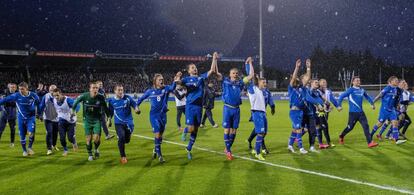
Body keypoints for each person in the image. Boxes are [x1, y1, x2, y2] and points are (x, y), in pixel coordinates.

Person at [177, 52, 217, 160]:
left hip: (199, 107)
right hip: (190, 106)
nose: (195, 69)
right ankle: (185, 131)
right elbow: (179, 84)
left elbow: (211, 71)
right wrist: (178, 79)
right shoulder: (186, 79)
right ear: (189, 71)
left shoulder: (201, 78)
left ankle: (189, 148)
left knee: (196, 129)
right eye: (192, 68)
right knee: (190, 129)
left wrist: (214, 59)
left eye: (195, 67)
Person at [136, 73, 180, 163]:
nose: (162, 81)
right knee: (157, 133)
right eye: (159, 80)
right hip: (154, 116)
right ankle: (160, 156)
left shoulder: (166, 88)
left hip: (163, 115)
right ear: (155, 82)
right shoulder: (150, 91)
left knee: (160, 136)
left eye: (162, 79)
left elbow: (172, 88)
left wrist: (175, 80)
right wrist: (136, 107)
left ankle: (155, 149)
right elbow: (140, 99)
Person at [72, 82, 111, 161]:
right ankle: (90, 154)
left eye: (96, 88)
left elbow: (105, 108)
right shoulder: (84, 96)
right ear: (90, 89)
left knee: (96, 139)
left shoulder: (101, 97)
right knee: (88, 139)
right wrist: (73, 111)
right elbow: (75, 103)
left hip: (97, 120)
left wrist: (109, 118)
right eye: (93, 88)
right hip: (87, 120)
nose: (95, 89)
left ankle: (96, 149)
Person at [0, 82, 41, 156]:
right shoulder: (16, 95)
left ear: (26, 88)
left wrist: (39, 114)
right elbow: (5, 100)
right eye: (19, 89)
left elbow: (39, 103)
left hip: (30, 118)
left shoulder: (33, 95)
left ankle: (30, 147)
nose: (20, 90)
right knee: (22, 135)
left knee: (31, 133)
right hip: (21, 118)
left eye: (22, 89)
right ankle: (24, 151)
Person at [337, 76, 378, 147]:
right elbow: (341, 96)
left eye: (359, 80)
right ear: (353, 82)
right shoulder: (350, 90)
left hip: (361, 113)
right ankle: (341, 135)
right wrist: (339, 105)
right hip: (353, 113)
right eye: (356, 81)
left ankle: (370, 142)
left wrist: (372, 104)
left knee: (366, 126)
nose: (358, 82)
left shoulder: (362, 90)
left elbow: (367, 97)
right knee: (350, 127)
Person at [370, 76, 406, 145]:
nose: (397, 81)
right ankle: (370, 135)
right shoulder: (387, 88)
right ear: (391, 81)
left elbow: (395, 100)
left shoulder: (395, 89)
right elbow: (379, 96)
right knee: (379, 124)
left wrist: (397, 107)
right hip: (384, 110)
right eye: (395, 80)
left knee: (395, 123)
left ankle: (396, 139)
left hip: (392, 110)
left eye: (397, 80)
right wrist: (372, 103)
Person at [108, 84, 139, 164]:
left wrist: (136, 109)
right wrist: (109, 120)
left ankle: (125, 138)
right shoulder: (111, 101)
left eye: (122, 90)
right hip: (118, 123)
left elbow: (134, 104)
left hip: (129, 123)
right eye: (119, 90)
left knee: (127, 140)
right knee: (121, 137)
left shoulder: (128, 98)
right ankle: (123, 156)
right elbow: (110, 112)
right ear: (115, 91)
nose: (121, 91)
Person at [246, 76, 275, 154]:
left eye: (266, 82)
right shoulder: (256, 89)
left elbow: (270, 99)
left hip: (263, 112)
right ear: (259, 83)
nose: (265, 84)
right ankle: (262, 148)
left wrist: (273, 107)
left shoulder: (266, 91)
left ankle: (250, 140)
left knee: (261, 131)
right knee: (260, 131)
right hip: (256, 112)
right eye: (263, 82)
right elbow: (251, 85)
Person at [50, 88, 79, 156]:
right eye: (54, 96)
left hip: (71, 121)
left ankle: (73, 142)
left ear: (61, 94)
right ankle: (65, 150)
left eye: (57, 95)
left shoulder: (68, 100)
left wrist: (74, 111)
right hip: (61, 120)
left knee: (70, 138)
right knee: (62, 138)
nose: (56, 97)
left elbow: (77, 105)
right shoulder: (53, 100)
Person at [39, 85, 60, 155]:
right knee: (49, 132)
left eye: (53, 90)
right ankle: (49, 149)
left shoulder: (59, 97)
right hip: (47, 118)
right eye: (51, 90)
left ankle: (54, 145)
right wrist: (40, 115)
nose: (52, 92)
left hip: (57, 119)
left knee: (55, 133)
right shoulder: (46, 96)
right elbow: (41, 106)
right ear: (49, 90)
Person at [318, 79, 340, 147]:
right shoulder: (317, 91)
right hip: (319, 111)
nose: (325, 83)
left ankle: (321, 143)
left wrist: (337, 106)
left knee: (320, 127)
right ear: (319, 83)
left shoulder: (328, 91)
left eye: (326, 82)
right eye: (323, 82)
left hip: (326, 111)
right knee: (323, 126)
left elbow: (332, 99)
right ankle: (327, 143)